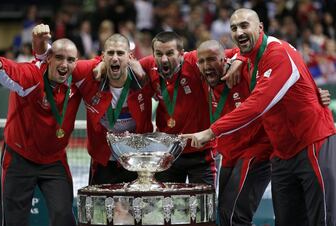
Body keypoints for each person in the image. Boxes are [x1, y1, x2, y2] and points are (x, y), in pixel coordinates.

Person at [182, 8, 336, 226]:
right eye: (234, 28)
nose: (239, 31)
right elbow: (212, 53)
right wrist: (238, 57)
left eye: (245, 25)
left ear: (260, 27)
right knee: (286, 221)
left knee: (322, 220)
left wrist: (211, 131)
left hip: (311, 141)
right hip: (281, 152)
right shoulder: (247, 57)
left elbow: (257, 105)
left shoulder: (277, 53)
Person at [32, 24, 154, 185]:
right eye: (110, 53)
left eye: (120, 53)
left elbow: (175, 59)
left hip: (137, 161)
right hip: (102, 160)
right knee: (101, 209)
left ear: (130, 57)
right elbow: (53, 62)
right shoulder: (88, 72)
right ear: (103, 56)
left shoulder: (145, 75)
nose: (115, 58)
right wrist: (38, 43)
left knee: (136, 210)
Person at [0, 39, 79, 226]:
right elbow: (15, 73)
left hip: (54, 160)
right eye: (59, 57)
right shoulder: (34, 74)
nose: (64, 64)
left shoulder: (78, 81)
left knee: (64, 216)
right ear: (48, 58)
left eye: (70, 59)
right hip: (20, 157)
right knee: (13, 222)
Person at [196, 39, 272, 226]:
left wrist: (239, 58)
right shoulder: (202, 74)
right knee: (224, 212)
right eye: (202, 61)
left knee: (236, 215)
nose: (207, 66)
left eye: (213, 59)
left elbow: (256, 48)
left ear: (224, 59)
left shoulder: (244, 71)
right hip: (230, 153)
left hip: (256, 149)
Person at [139, 31, 216, 185]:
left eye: (170, 53)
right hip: (168, 153)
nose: (164, 59)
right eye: (159, 54)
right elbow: (124, 62)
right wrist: (101, 63)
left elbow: (226, 53)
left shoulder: (194, 60)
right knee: (166, 207)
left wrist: (238, 60)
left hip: (201, 153)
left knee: (203, 207)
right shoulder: (149, 65)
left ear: (181, 54)